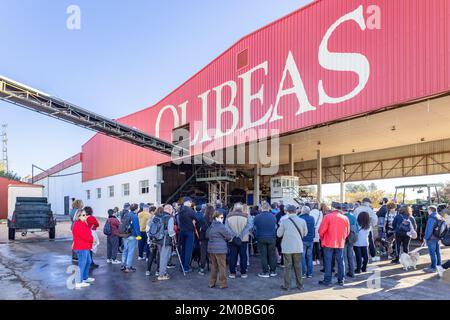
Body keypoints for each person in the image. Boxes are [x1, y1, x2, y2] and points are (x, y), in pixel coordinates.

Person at [277, 204, 307, 291]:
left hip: (287, 247)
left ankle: (287, 286)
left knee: (288, 267)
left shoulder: (284, 221)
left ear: (287, 212)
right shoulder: (302, 221)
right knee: (298, 266)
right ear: (296, 211)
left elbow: (279, 234)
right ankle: (300, 285)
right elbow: (305, 233)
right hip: (298, 246)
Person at [318, 209, 350, 286]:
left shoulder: (327, 217)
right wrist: (342, 238)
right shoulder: (345, 218)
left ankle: (327, 280)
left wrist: (322, 238)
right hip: (340, 242)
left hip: (328, 242)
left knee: (328, 262)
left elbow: (321, 230)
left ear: (333, 209)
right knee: (340, 261)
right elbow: (347, 232)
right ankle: (341, 280)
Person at [207, 211, 233, 289]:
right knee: (222, 267)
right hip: (220, 249)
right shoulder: (221, 226)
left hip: (211, 248)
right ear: (216, 217)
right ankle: (223, 283)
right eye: (221, 217)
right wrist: (224, 238)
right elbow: (229, 236)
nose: (223, 219)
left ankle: (212, 283)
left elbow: (207, 235)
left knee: (214, 266)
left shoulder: (211, 225)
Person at [225, 202, 252, 279]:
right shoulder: (247, 216)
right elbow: (249, 226)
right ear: (241, 208)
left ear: (234, 208)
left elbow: (226, 227)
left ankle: (232, 273)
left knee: (232, 256)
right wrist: (240, 235)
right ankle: (243, 273)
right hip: (243, 239)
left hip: (232, 239)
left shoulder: (228, 216)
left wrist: (234, 236)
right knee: (243, 256)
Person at [253, 201, 278, 278]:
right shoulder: (273, 216)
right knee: (272, 255)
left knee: (263, 255)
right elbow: (276, 227)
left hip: (261, 237)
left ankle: (265, 272)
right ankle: (273, 271)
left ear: (261, 208)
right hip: (272, 237)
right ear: (269, 208)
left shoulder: (257, 217)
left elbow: (254, 228)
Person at [72, 209, 95, 288]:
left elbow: (89, 232)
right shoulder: (78, 224)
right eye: (83, 215)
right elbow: (85, 236)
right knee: (82, 264)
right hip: (81, 247)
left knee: (88, 261)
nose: (85, 216)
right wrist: (92, 240)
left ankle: (84, 277)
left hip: (85, 246)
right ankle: (78, 282)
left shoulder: (83, 223)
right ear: (78, 216)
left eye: (85, 214)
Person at [153, 204, 176, 281]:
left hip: (158, 239)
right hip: (165, 240)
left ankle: (161, 271)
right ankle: (162, 274)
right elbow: (170, 231)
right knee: (164, 257)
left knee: (161, 256)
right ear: (169, 209)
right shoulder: (170, 218)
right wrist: (174, 237)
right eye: (172, 209)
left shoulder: (159, 216)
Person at [178, 198, 197, 273]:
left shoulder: (180, 210)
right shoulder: (190, 211)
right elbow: (197, 219)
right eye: (191, 202)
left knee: (183, 249)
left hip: (182, 231)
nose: (191, 203)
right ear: (188, 202)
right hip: (189, 231)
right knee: (188, 250)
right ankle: (186, 267)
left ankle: (182, 265)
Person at [120, 203, 141, 273]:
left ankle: (123, 265)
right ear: (136, 209)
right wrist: (139, 235)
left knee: (125, 250)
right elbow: (136, 227)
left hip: (125, 235)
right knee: (131, 251)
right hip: (132, 235)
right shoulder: (134, 216)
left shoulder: (126, 214)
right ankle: (128, 267)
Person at [423, 205, 442, 273]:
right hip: (438, 237)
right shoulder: (439, 216)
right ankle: (439, 266)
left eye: (428, 210)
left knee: (432, 253)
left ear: (430, 210)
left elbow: (429, 230)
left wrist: (425, 238)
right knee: (438, 253)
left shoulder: (431, 218)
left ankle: (433, 268)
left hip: (431, 238)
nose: (427, 212)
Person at [299, 206, 315, 278]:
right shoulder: (312, 218)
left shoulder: (300, 218)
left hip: (303, 239)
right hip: (311, 239)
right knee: (309, 257)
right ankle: (310, 273)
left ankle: (303, 273)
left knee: (302, 257)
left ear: (302, 211)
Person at [198, 205, 214, 275]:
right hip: (213, 238)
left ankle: (202, 268)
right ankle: (214, 267)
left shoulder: (202, 218)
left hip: (204, 237)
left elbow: (199, 229)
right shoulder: (214, 219)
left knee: (203, 253)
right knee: (212, 253)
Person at [343, 203, 357, 278]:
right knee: (350, 255)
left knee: (344, 255)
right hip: (352, 238)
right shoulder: (353, 216)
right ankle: (352, 272)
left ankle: (343, 272)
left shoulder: (343, 217)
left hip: (345, 238)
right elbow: (357, 228)